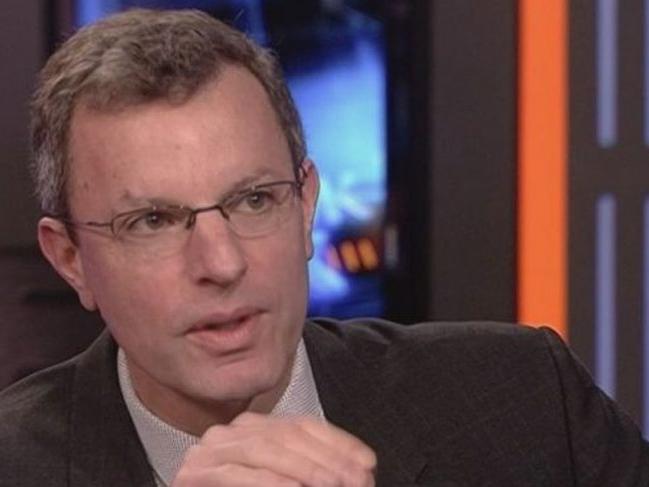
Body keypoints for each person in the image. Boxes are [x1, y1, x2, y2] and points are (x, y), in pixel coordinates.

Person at [0, 8, 647, 487]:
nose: (222, 264)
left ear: (305, 204)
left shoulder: (525, 400)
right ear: (71, 259)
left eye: (254, 200)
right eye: (152, 221)